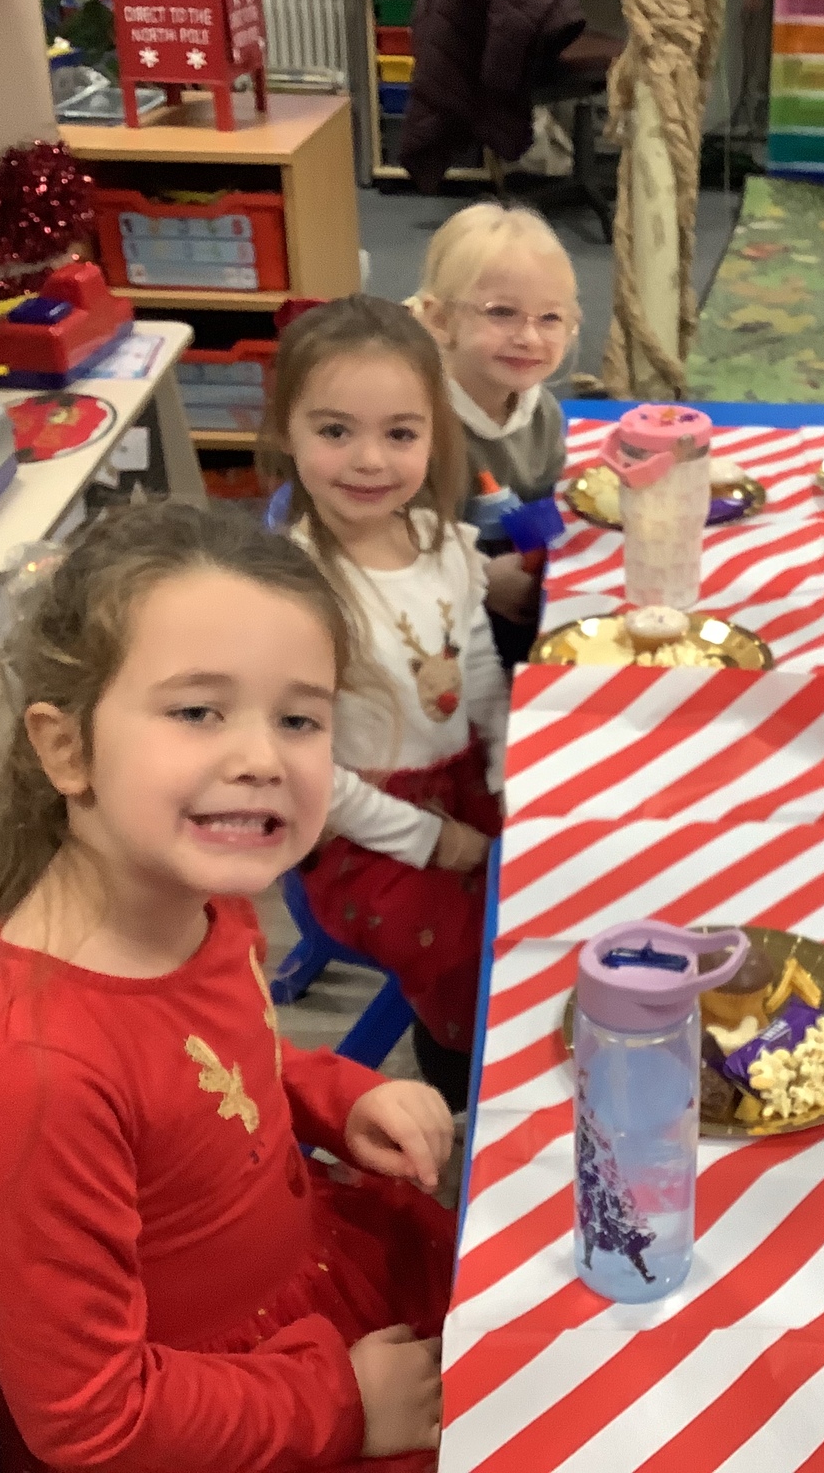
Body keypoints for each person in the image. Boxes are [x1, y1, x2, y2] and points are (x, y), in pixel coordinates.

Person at [0, 501, 455, 1473]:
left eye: (298, 718)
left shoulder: (201, 901)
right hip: (212, 1419)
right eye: (197, 711)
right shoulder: (32, 1076)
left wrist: (336, 1095)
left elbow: (210, 1068)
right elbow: (91, 1421)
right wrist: (342, 1402)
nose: (261, 758)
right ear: (66, 749)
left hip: (304, 1296)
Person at [265, 294, 508, 1111]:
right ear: (287, 431)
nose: (369, 460)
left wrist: (506, 768)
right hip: (362, 832)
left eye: (400, 434)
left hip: (463, 780)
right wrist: (432, 841)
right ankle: (468, 1093)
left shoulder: (443, 544)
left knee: (562, 877)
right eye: (336, 431)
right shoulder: (294, 594)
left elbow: (475, 664)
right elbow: (305, 773)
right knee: (472, 952)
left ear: (434, 435)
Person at [407, 202, 581, 668]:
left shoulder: (541, 413)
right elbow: (387, 549)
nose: (529, 338)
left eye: (550, 318)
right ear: (440, 321)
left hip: (517, 605)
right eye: (502, 312)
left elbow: (538, 506)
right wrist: (481, 581)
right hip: (433, 632)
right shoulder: (412, 427)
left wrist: (539, 562)